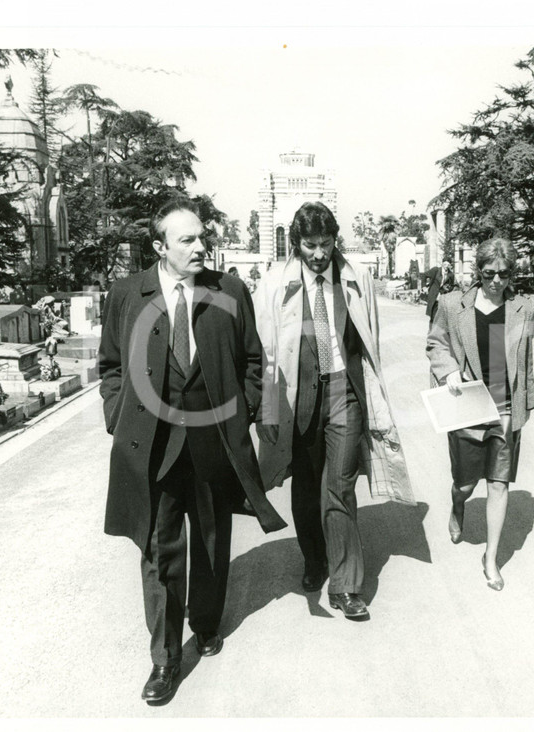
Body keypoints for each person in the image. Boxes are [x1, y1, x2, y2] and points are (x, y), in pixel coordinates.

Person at [98, 197, 287, 703]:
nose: (201, 246)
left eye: (202, 236)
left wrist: (245, 410)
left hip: (212, 441)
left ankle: (205, 623)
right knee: (158, 550)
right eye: (188, 239)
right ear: (160, 247)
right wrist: (117, 415)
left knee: (209, 538)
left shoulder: (230, 290)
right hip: (153, 447)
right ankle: (164, 658)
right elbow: (111, 366)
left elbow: (254, 360)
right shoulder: (127, 294)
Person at [253, 201, 413, 621]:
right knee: (306, 486)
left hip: (344, 393)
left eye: (326, 243)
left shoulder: (356, 277)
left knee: (339, 486)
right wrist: (266, 409)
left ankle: (346, 586)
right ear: (296, 243)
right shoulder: (274, 284)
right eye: (310, 245)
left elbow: (368, 340)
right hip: (298, 396)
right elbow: (264, 353)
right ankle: (314, 558)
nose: (320, 253)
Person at [426, 238, 534, 591]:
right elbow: (435, 342)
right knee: (465, 483)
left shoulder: (523, 308)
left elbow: (525, 359)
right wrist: (448, 370)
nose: (496, 281)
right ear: (478, 271)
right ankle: (458, 504)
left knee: (498, 483)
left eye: (504, 274)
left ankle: (491, 558)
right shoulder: (452, 304)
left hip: (505, 405)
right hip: (468, 406)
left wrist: (527, 401)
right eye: (489, 274)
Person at [425, 259, 455, 323]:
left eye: (448, 265)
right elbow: (424, 275)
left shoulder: (451, 274)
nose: (446, 266)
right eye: (445, 264)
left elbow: (452, 285)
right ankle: (432, 327)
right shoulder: (436, 270)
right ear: (442, 264)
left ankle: (437, 327)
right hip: (433, 295)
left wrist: (448, 288)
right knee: (433, 315)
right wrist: (424, 286)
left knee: (441, 316)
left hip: (443, 296)